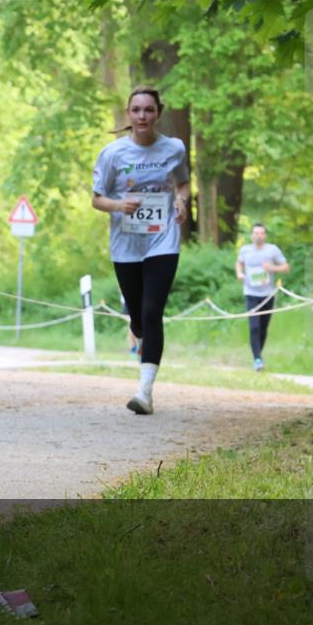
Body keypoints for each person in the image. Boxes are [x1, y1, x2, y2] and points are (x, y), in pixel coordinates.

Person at [92, 85, 191, 415]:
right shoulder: (113, 154)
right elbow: (97, 198)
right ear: (128, 114)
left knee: (152, 312)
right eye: (137, 110)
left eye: (149, 110)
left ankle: (144, 392)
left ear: (158, 113)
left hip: (163, 239)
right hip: (126, 245)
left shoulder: (173, 148)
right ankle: (137, 331)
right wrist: (119, 205)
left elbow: (183, 182)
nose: (143, 116)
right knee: (137, 319)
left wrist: (181, 200)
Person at [236, 223, 290, 371]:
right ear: (251, 235)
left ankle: (258, 353)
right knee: (254, 327)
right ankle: (257, 359)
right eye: (256, 233)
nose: (258, 235)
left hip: (267, 295)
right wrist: (239, 273)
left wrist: (272, 268)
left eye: (261, 233)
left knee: (263, 328)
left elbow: (286, 267)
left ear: (265, 236)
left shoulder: (272, 250)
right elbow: (239, 263)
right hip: (250, 293)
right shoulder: (245, 250)